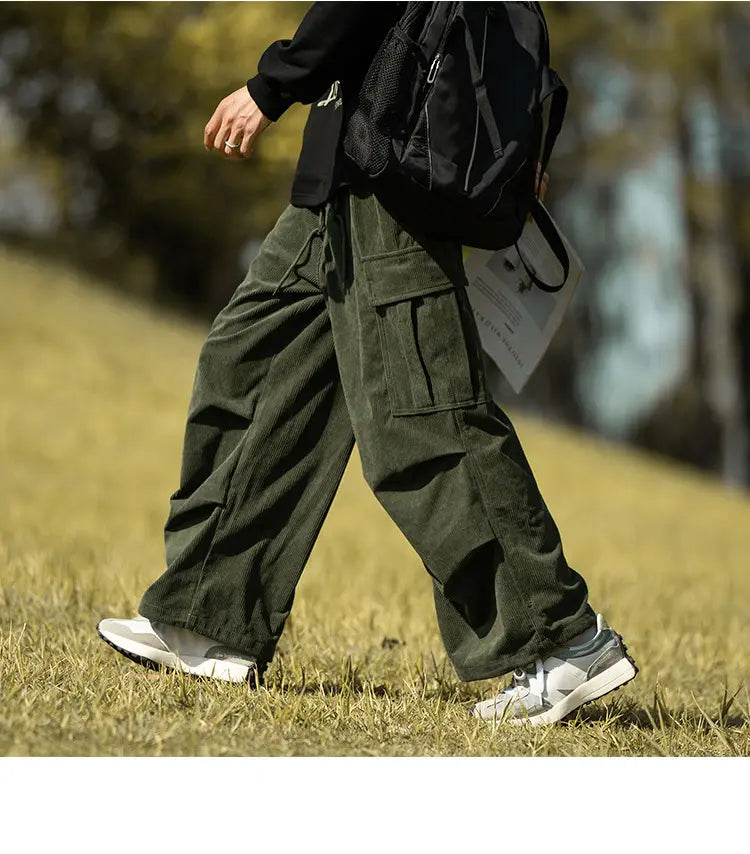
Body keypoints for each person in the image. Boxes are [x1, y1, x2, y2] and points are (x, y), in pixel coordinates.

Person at [98, 2, 638, 725]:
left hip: (395, 169)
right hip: (347, 167)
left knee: (421, 417)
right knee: (255, 363)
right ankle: (210, 616)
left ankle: (563, 639)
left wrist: (273, 84)